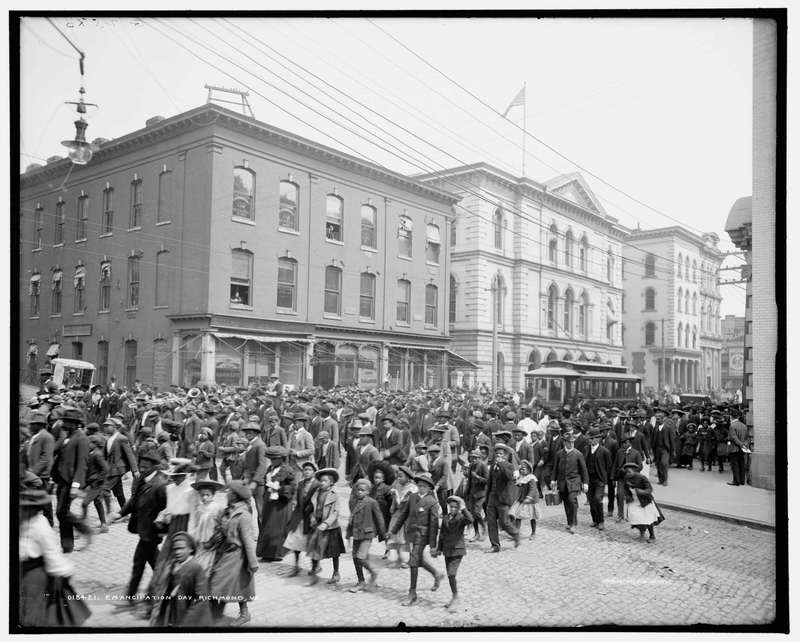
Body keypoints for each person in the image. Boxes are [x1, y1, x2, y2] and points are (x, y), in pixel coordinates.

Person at [19, 481, 90, 627]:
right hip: (22, 573)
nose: (23, 511)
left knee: (34, 614)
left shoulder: (39, 525)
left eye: (26, 508)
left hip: (34, 575)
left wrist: (64, 571)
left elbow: (52, 554)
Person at [114, 451, 168, 610]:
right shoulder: (143, 479)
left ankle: (136, 598)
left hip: (151, 534)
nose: (143, 465)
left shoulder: (160, 485)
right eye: (142, 462)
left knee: (142, 565)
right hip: (144, 532)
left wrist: (160, 531)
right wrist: (119, 513)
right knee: (154, 565)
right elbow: (134, 501)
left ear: (155, 466)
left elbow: (166, 510)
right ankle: (151, 595)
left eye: (147, 463)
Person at [208, 481, 259, 626]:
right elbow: (220, 529)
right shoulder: (227, 511)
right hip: (225, 551)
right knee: (227, 582)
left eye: (229, 491)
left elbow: (248, 541)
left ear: (236, 496)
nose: (227, 494)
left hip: (238, 555)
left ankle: (244, 614)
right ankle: (215, 611)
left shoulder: (243, 516)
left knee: (228, 582)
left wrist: (253, 563)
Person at [388, 472, 443, 606]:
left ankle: (412, 593)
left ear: (430, 488)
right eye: (419, 486)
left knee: (413, 560)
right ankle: (436, 574)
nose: (421, 488)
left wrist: (433, 545)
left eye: (424, 486)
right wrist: (393, 531)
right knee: (418, 559)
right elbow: (403, 515)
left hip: (423, 536)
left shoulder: (432, 502)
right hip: (411, 533)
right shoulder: (412, 497)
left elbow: (434, 525)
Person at [148, 531, 212, 627]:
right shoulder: (172, 565)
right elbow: (164, 588)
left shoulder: (196, 568)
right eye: (175, 549)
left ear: (191, 549)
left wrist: (188, 621)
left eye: (181, 548)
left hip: (187, 615)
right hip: (172, 609)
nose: (177, 552)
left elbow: (201, 599)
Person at [51, 407, 90, 553]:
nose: (63, 423)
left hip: (70, 482)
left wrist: (75, 485)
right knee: (61, 513)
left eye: (66, 421)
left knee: (62, 512)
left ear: (74, 423)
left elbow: (82, 464)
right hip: (61, 480)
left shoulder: (82, 439)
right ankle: (67, 546)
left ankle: (84, 529)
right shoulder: (67, 436)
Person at [432, 495, 473, 612]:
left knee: (451, 574)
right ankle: (454, 597)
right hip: (447, 551)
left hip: (458, 550)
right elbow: (442, 535)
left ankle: (456, 597)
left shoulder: (461, 518)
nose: (453, 509)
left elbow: (470, 520)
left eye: (456, 507)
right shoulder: (445, 518)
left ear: (459, 508)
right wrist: (439, 549)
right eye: (451, 507)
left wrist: (464, 508)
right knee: (451, 576)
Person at [345, 478, 387, 593]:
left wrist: (384, 534)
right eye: (358, 490)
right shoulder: (354, 502)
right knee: (355, 558)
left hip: (367, 534)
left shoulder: (371, 502)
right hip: (356, 533)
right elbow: (351, 518)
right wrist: (349, 533)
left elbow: (379, 518)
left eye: (362, 490)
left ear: (368, 491)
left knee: (360, 557)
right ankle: (361, 581)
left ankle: (373, 573)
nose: (359, 492)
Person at [307, 467, 347, 585]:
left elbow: (335, 512)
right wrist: (312, 517)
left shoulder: (334, 495)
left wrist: (326, 523)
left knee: (334, 551)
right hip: (317, 525)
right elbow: (311, 507)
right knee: (314, 548)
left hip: (330, 528)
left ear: (331, 483)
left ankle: (336, 573)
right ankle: (315, 569)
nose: (322, 483)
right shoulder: (316, 493)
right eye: (321, 480)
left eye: (325, 481)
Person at [257, 446, 296, 562]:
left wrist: (280, 488)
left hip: (281, 503)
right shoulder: (270, 468)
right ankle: (266, 552)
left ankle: (276, 553)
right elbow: (266, 481)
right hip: (270, 501)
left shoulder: (287, 470)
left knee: (276, 528)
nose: (272, 461)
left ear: (282, 458)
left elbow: (293, 487)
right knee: (267, 525)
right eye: (271, 459)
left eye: (275, 459)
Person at [283, 461, 320, 577]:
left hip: (311, 517)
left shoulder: (317, 485)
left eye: (309, 469)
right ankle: (296, 566)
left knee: (312, 542)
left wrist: (313, 513)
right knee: (296, 542)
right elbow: (296, 498)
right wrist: (294, 503)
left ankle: (315, 566)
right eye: (305, 470)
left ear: (314, 472)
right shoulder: (301, 484)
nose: (307, 472)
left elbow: (318, 501)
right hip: (299, 517)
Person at [483, 442, 521, 552]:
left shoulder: (508, 466)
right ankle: (495, 545)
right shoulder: (492, 467)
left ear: (504, 455)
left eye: (500, 454)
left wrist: (502, 464)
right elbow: (489, 482)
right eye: (497, 454)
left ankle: (515, 534)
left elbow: (509, 477)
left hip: (503, 499)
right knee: (491, 522)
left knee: (504, 523)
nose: (498, 456)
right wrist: (487, 497)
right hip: (492, 498)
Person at [550, 431, 589, 534]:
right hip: (562, 482)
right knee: (566, 502)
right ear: (565, 442)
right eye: (569, 442)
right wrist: (553, 480)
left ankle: (573, 524)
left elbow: (584, 469)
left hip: (574, 481)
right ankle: (569, 521)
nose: (571, 444)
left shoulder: (578, 454)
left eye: (572, 442)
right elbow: (555, 468)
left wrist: (585, 483)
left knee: (572, 500)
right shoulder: (559, 454)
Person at [187, 479, 226, 573]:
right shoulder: (198, 508)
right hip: (200, 541)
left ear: (213, 495)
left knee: (210, 563)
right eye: (202, 495)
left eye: (207, 495)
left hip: (212, 540)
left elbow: (221, 524)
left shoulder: (218, 508)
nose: (204, 497)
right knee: (199, 562)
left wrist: (216, 538)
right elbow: (195, 524)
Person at [102, 417, 138, 515]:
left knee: (104, 489)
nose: (105, 428)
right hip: (111, 469)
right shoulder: (108, 439)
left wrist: (135, 470)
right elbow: (105, 455)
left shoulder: (121, 438)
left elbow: (129, 454)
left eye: (107, 426)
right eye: (105, 426)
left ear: (114, 427)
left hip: (118, 469)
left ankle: (109, 513)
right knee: (119, 493)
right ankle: (125, 512)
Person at [623, 462, 665, 542]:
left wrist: (640, 491)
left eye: (629, 471)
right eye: (626, 472)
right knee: (636, 517)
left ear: (634, 471)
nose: (627, 473)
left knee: (648, 519)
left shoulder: (642, 478)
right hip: (634, 501)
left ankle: (652, 536)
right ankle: (641, 533)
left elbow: (649, 489)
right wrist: (628, 496)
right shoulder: (626, 478)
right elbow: (625, 489)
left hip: (645, 501)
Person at [387, 465, 416, 568]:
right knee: (393, 536)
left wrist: (396, 495)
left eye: (401, 476)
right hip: (397, 515)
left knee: (404, 539)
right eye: (398, 476)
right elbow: (395, 503)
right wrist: (392, 505)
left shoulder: (412, 488)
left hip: (406, 517)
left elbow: (402, 503)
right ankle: (394, 558)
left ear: (407, 477)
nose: (398, 478)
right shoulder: (397, 485)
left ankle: (405, 559)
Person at [584, 427, 612, 531]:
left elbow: (609, 467)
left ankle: (601, 521)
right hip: (589, 480)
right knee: (591, 500)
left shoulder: (604, 451)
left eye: (592, 438)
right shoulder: (586, 449)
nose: (590, 440)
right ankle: (594, 520)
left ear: (598, 439)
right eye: (589, 439)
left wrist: (607, 479)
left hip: (600, 480)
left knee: (597, 499)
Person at [240, 421, 268, 527]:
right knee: (246, 505)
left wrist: (255, 481)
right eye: (246, 432)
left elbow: (262, 466)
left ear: (256, 433)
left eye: (250, 433)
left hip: (257, 483)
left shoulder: (260, 445)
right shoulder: (251, 444)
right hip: (248, 480)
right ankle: (247, 528)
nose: (247, 435)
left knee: (260, 509)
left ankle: (262, 534)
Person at [507, 459, 540, 539]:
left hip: (530, 500)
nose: (521, 470)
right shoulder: (521, 478)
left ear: (529, 470)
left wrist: (529, 497)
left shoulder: (531, 478)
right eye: (520, 468)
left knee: (532, 517)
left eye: (524, 468)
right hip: (522, 499)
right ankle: (516, 533)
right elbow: (519, 485)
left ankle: (533, 532)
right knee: (518, 516)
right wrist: (515, 480)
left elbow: (533, 489)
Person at [464, 449, 488, 542]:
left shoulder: (483, 466)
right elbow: (469, 481)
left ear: (479, 458)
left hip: (482, 493)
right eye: (472, 457)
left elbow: (487, 480)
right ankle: (476, 533)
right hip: (472, 493)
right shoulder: (471, 466)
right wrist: (466, 492)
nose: (473, 459)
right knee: (472, 514)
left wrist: (477, 477)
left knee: (477, 512)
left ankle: (484, 529)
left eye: (475, 458)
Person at [651, 411, 675, 486]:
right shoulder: (655, 428)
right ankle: (661, 479)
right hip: (657, 449)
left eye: (659, 419)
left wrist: (673, 450)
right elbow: (653, 439)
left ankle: (665, 480)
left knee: (664, 464)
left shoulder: (668, 428)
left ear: (662, 419)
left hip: (665, 449)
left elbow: (672, 440)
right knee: (658, 464)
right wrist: (651, 449)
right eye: (656, 419)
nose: (657, 420)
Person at [727, 409, 748, 486]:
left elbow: (734, 438)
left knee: (735, 465)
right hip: (742, 449)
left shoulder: (732, 426)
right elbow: (747, 438)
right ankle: (742, 481)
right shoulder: (744, 426)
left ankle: (736, 481)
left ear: (731, 417)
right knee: (741, 464)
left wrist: (740, 444)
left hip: (734, 448)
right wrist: (744, 445)